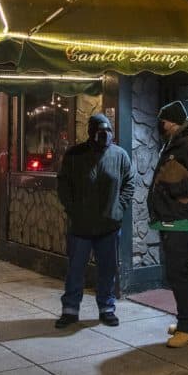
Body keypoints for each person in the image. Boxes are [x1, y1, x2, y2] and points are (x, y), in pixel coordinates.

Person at [55, 113, 134, 328]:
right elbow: (64, 184)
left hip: (109, 226)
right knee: (75, 270)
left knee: (107, 270)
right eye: (100, 131)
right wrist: (73, 209)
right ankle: (70, 310)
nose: (105, 135)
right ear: (91, 132)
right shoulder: (74, 155)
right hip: (80, 227)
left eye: (108, 131)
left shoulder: (120, 155)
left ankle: (107, 308)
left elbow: (129, 183)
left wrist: (119, 208)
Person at [149, 100, 188, 348]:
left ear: (171, 121)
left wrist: (176, 189)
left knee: (180, 273)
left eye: (162, 121)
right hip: (174, 220)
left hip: (183, 221)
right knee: (179, 273)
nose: (159, 125)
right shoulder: (176, 143)